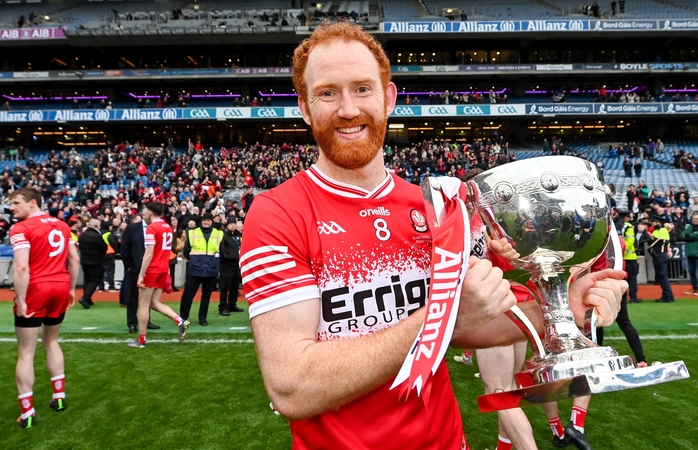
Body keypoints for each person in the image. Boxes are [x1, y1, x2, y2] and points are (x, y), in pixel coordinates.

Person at [240, 20, 626, 449]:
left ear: (388, 98)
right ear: (306, 109)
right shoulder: (277, 213)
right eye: (327, 93)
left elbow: (466, 330)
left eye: (363, 89)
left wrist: (556, 311)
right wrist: (439, 320)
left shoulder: (436, 208)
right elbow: (293, 386)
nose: (348, 109)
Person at [9, 187, 80, 428]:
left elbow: (21, 267)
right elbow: (74, 259)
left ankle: (27, 414)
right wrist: (71, 288)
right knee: (51, 341)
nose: (12, 207)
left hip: (37, 287)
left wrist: (20, 299)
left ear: (32, 203)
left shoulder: (21, 228)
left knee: (26, 352)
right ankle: (58, 398)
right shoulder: (62, 225)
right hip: (60, 285)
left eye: (17, 203)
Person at [128, 202, 189, 348]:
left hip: (152, 268)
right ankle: (180, 321)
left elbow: (148, 253)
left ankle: (141, 340)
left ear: (150, 212)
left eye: (145, 211)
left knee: (143, 304)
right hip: (163, 267)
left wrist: (141, 274)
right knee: (154, 303)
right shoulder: (167, 227)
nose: (144, 214)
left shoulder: (152, 227)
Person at [180, 213, 224, 326]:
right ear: (201, 221)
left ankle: (202, 318)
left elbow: (222, 251)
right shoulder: (192, 232)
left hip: (211, 269)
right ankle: (183, 318)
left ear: (212, 222)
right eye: (204, 220)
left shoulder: (219, 234)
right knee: (188, 295)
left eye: (208, 220)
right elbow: (186, 250)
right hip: (195, 269)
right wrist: (195, 261)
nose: (206, 222)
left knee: (206, 297)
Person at [121, 214, 161, 334]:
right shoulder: (132, 228)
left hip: (152, 268)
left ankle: (146, 321)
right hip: (135, 268)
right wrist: (128, 265)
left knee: (148, 297)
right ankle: (132, 323)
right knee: (133, 296)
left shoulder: (156, 228)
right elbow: (125, 247)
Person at [77, 219, 107, 309]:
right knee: (96, 279)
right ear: (96, 226)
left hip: (84, 261)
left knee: (87, 279)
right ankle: (85, 298)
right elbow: (104, 247)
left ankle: (88, 298)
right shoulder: (97, 236)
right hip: (95, 261)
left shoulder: (82, 235)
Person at [218, 217, 244, 316]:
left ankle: (232, 304)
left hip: (236, 264)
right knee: (225, 287)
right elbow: (221, 249)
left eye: (234, 223)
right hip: (226, 264)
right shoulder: (223, 235)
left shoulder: (238, 235)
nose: (233, 225)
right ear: (227, 225)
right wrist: (226, 256)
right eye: (231, 223)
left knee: (235, 285)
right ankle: (223, 306)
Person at [650, 218, 675, 303]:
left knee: (662, 276)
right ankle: (670, 295)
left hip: (659, 255)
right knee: (663, 276)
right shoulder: (665, 231)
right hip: (663, 254)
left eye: (653, 222)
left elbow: (652, 242)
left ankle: (667, 296)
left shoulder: (660, 231)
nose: (652, 224)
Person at [620, 211, 641, 303]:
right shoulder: (628, 227)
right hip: (630, 257)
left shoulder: (616, 226)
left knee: (621, 278)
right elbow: (630, 241)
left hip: (620, 258)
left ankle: (621, 298)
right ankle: (633, 297)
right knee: (632, 278)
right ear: (627, 217)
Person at [101, 219, 121, 292]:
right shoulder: (108, 234)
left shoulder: (99, 233)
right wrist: (116, 250)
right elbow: (114, 244)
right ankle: (111, 286)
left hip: (101, 254)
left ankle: (101, 287)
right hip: (109, 254)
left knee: (101, 271)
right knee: (110, 271)